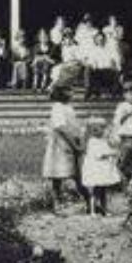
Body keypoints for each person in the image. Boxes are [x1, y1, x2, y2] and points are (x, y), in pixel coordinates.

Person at [42, 85, 86, 214]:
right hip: (61, 143)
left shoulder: (68, 107)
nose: (72, 93)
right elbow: (61, 128)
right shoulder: (58, 107)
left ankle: (86, 199)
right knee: (58, 172)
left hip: (71, 141)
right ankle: (57, 202)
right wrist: (74, 144)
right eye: (69, 91)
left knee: (76, 171)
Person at [81, 118, 120, 215]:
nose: (103, 131)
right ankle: (92, 210)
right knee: (95, 191)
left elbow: (113, 145)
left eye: (104, 129)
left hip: (103, 169)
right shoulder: (92, 142)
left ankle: (104, 210)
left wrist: (111, 143)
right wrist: (111, 154)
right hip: (96, 170)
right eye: (99, 129)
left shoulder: (104, 141)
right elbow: (99, 155)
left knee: (104, 191)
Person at [87, 31, 120, 99]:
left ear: (105, 40)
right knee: (90, 71)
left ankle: (112, 93)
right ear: (95, 40)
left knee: (115, 72)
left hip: (109, 70)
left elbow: (116, 59)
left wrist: (115, 66)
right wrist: (94, 65)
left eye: (102, 39)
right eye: (98, 40)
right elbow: (91, 62)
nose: (100, 41)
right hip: (98, 71)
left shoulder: (111, 49)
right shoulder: (93, 50)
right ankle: (94, 93)